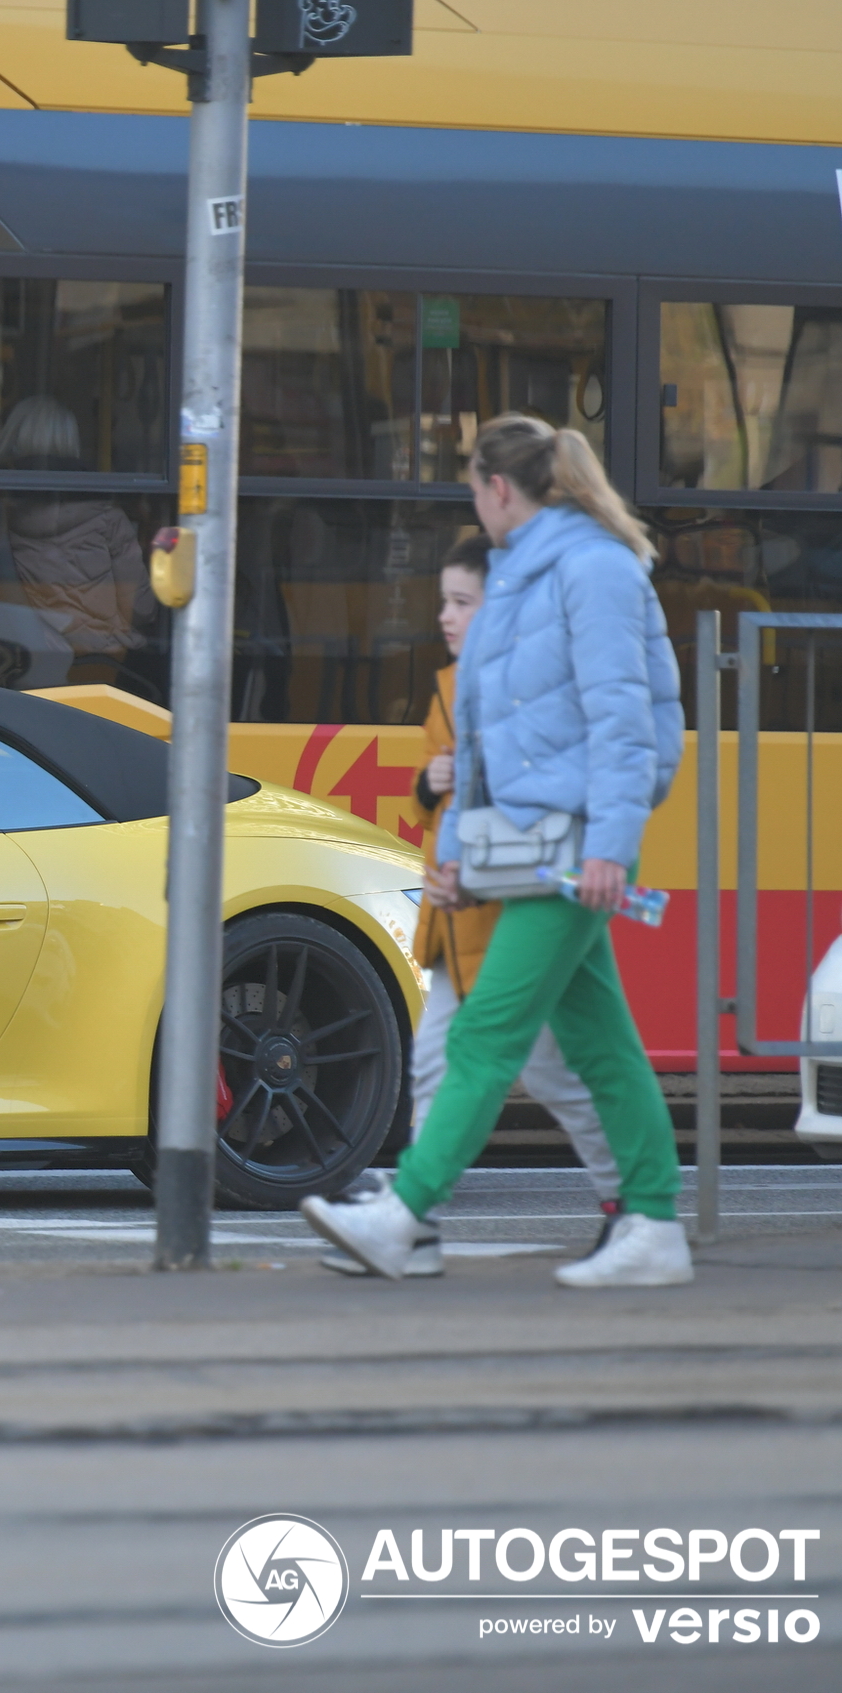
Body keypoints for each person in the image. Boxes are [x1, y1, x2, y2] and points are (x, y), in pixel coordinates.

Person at [304, 414, 688, 1289]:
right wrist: (465, 850)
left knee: (484, 1034)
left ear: (500, 489)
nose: (474, 504)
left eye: (474, 489)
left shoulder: (587, 570)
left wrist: (611, 848)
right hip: (532, 844)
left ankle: (404, 1216)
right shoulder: (531, 571)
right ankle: (653, 1224)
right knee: (600, 1045)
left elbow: (623, 723)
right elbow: (494, 731)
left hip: (571, 846)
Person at [321, 533, 622, 1277]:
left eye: (463, 601)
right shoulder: (451, 687)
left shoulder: (527, 693)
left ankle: (631, 1204)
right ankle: (411, 1225)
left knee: (553, 1073)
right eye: (444, 602)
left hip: (514, 915)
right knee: (433, 1065)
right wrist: (430, 787)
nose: (446, 617)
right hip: (458, 919)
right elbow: (436, 802)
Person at [0, 397, 152, 684]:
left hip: (20, 665)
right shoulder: (108, 516)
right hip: (100, 666)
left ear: (12, 440)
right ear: (73, 444)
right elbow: (142, 607)